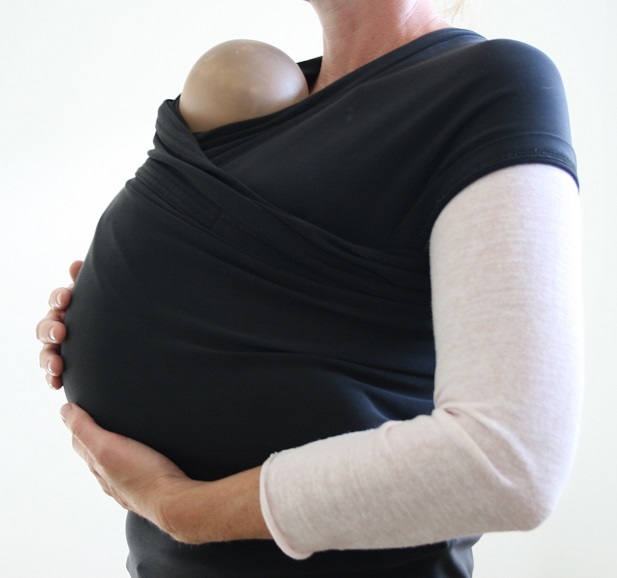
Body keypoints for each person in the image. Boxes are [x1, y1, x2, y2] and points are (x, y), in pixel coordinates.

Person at [36, 1, 583, 576]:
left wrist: (181, 509)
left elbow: (509, 462)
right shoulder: (261, 87)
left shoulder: (494, 83)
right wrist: (134, 296)